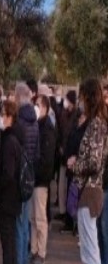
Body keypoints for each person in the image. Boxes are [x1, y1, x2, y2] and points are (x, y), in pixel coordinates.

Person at [68, 79, 108, 264]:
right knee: (91, 256)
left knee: (91, 257)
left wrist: (75, 163)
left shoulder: (96, 126)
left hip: (89, 192)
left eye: (83, 96)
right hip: (92, 192)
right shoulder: (99, 124)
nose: (80, 100)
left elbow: (92, 162)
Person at [0, 100, 22, 264]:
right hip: (13, 199)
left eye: (2, 114)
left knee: (8, 243)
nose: (0, 118)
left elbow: (8, 174)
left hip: (8, 199)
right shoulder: (13, 138)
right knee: (9, 242)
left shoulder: (9, 141)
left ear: (9, 116)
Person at [14, 83, 39, 264]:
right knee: (24, 226)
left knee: (19, 227)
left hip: (19, 180)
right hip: (30, 178)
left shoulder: (19, 121)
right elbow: (36, 152)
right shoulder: (35, 122)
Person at [30, 95, 56, 264]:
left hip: (41, 181)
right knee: (33, 218)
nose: (36, 108)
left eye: (38, 105)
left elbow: (47, 160)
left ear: (46, 108)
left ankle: (41, 252)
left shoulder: (47, 129)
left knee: (40, 219)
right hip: (33, 179)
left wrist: (39, 176)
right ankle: (33, 249)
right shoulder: (37, 125)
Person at [56, 91, 78, 221]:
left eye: (67, 100)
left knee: (69, 186)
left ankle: (69, 215)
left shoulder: (76, 115)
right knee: (61, 184)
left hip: (70, 155)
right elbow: (61, 131)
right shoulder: (64, 114)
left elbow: (71, 134)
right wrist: (60, 146)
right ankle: (62, 210)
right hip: (63, 154)